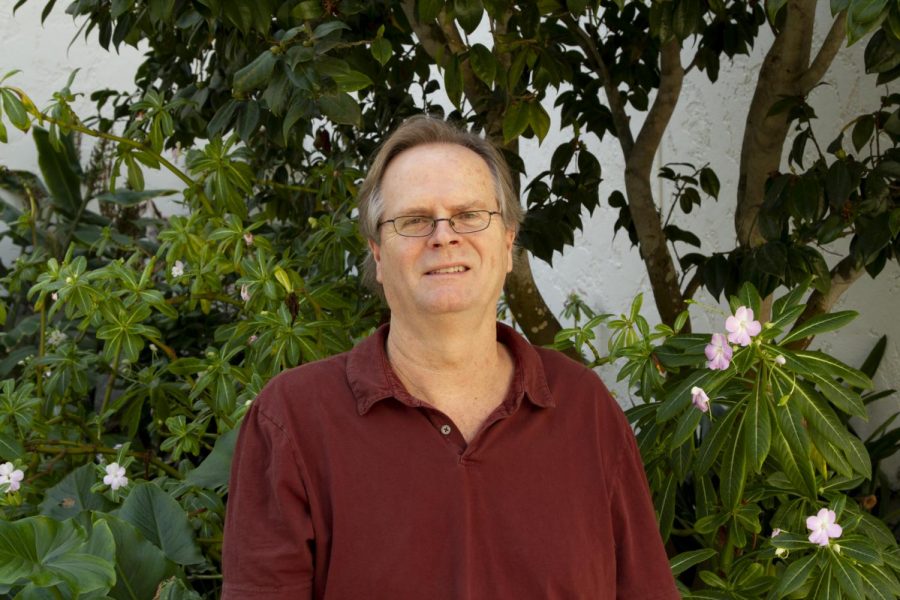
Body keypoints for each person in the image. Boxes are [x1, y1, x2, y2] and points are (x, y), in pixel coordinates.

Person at [221, 116, 679, 599]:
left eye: (468, 215)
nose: (444, 236)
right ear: (377, 253)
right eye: (414, 220)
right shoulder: (293, 421)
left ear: (507, 244)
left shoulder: (583, 408)